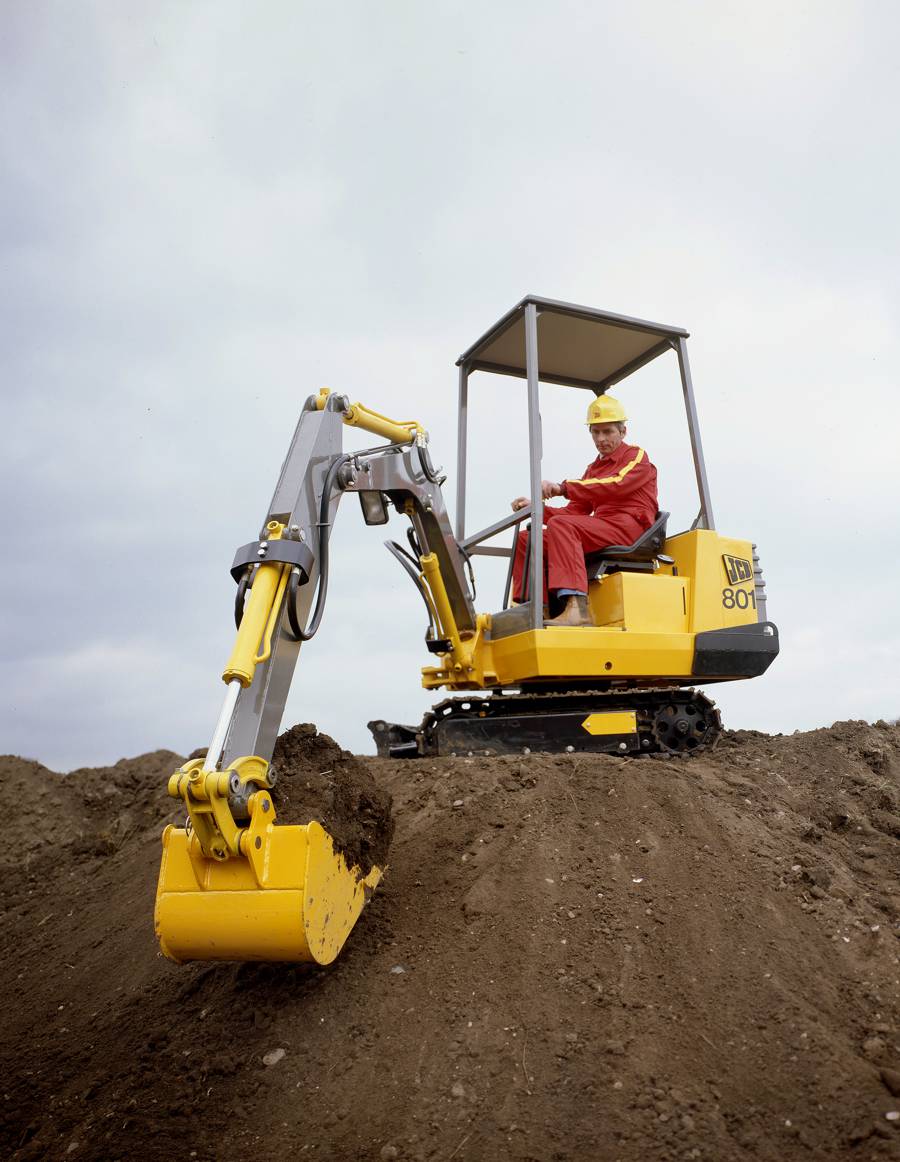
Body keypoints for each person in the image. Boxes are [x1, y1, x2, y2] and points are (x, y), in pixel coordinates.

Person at [510, 395, 658, 626]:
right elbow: (574, 512)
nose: (601, 439)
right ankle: (535, 610)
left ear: (623, 431)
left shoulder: (636, 456)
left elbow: (616, 483)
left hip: (629, 527)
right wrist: (536, 508)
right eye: (595, 432)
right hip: (602, 528)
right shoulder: (593, 469)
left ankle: (577, 609)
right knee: (527, 539)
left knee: (563, 526)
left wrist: (562, 487)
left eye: (607, 431)